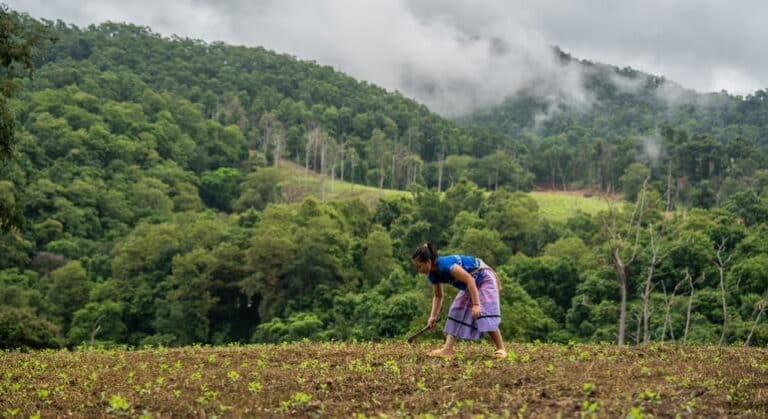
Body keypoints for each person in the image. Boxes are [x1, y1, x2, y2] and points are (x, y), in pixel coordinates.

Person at [411, 242, 507, 359]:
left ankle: (501, 349)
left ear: (428, 262)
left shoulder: (446, 266)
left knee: (484, 312)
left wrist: (476, 304)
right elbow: (438, 296)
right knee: (456, 310)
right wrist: (433, 316)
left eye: (419, 266)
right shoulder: (432, 275)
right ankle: (447, 350)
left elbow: (470, 280)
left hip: (483, 278)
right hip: (469, 284)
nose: (418, 270)